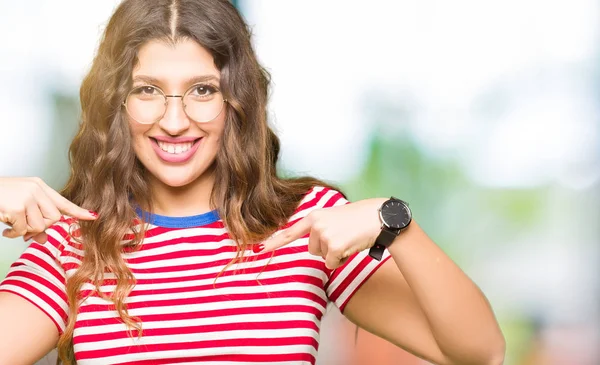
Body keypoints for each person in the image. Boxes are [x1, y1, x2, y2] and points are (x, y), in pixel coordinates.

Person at [0, 0, 505, 364]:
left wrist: (395, 223)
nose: (174, 122)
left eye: (202, 90)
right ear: (117, 104)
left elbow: (480, 351)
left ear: (236, 101)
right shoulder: (74, 241)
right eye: (148, 90)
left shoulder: (304, 224)